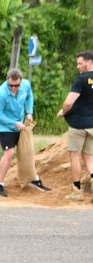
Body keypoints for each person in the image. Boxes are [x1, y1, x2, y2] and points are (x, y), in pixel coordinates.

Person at [0, 68, 50, 197]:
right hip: (4, 127)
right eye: (11, 85)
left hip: (20, 124)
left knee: (27, 151)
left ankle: (33, 179)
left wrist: (29, 112)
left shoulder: (26, 85)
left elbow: (29, 96)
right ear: (7, 80)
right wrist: (14, 123)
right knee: (9, 153)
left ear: (21, 81)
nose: (14, 88)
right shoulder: (0, 94)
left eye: (16, 85)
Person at [56, 50, 93, 202]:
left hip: (78, 125)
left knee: (75, 156)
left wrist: (63, 112)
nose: (78, 66)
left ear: (89, 61)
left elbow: (69, 102)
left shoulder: (81, 80)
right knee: (89, 156)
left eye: (80, 63)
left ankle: (77, 191)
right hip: (92, 125)